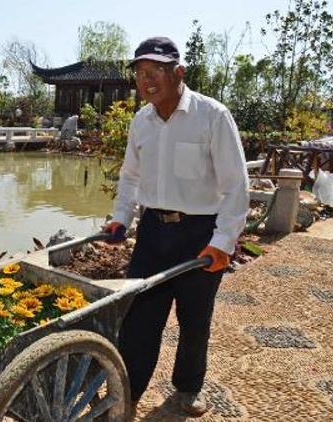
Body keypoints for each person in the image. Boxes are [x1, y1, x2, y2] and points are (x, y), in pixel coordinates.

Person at [102, 37, 249, 417]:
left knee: (194, 319)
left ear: (178, 72)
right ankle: (126, 395)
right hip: (153, 233)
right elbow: (130, 176)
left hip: (199, 233)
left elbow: (236, 186)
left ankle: (187, 389)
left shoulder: (212, 115)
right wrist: (122, 217)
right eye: (139, 74)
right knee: (139, 320)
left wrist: (223, 242)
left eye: (154, 72)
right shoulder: (142, 120)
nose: (146, 81)